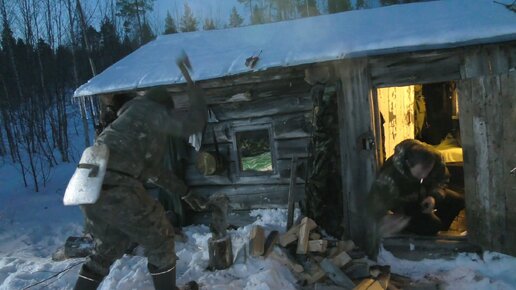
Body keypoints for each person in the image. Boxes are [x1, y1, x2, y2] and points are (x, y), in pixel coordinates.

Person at [73, 86, 208, 290]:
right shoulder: (152, 116)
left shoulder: (123, 121)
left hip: (85, 184)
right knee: (161, 238)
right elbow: (155, 170)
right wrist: (186, 193)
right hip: (116, 186)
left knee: (108, 247)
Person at [366, 139, 464, 258]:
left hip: (426, 195)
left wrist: (433, 197)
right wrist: (386, 217)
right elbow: (375, 202)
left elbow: (442, 179)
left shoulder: (434, 158)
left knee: (458, 201)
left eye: (427, 172)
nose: (424, 176)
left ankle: (440, 231)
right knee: (433, 225)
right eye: (420, 173)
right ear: (408, 164)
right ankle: (423, 236)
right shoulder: (390, 175)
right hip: (406, 204)